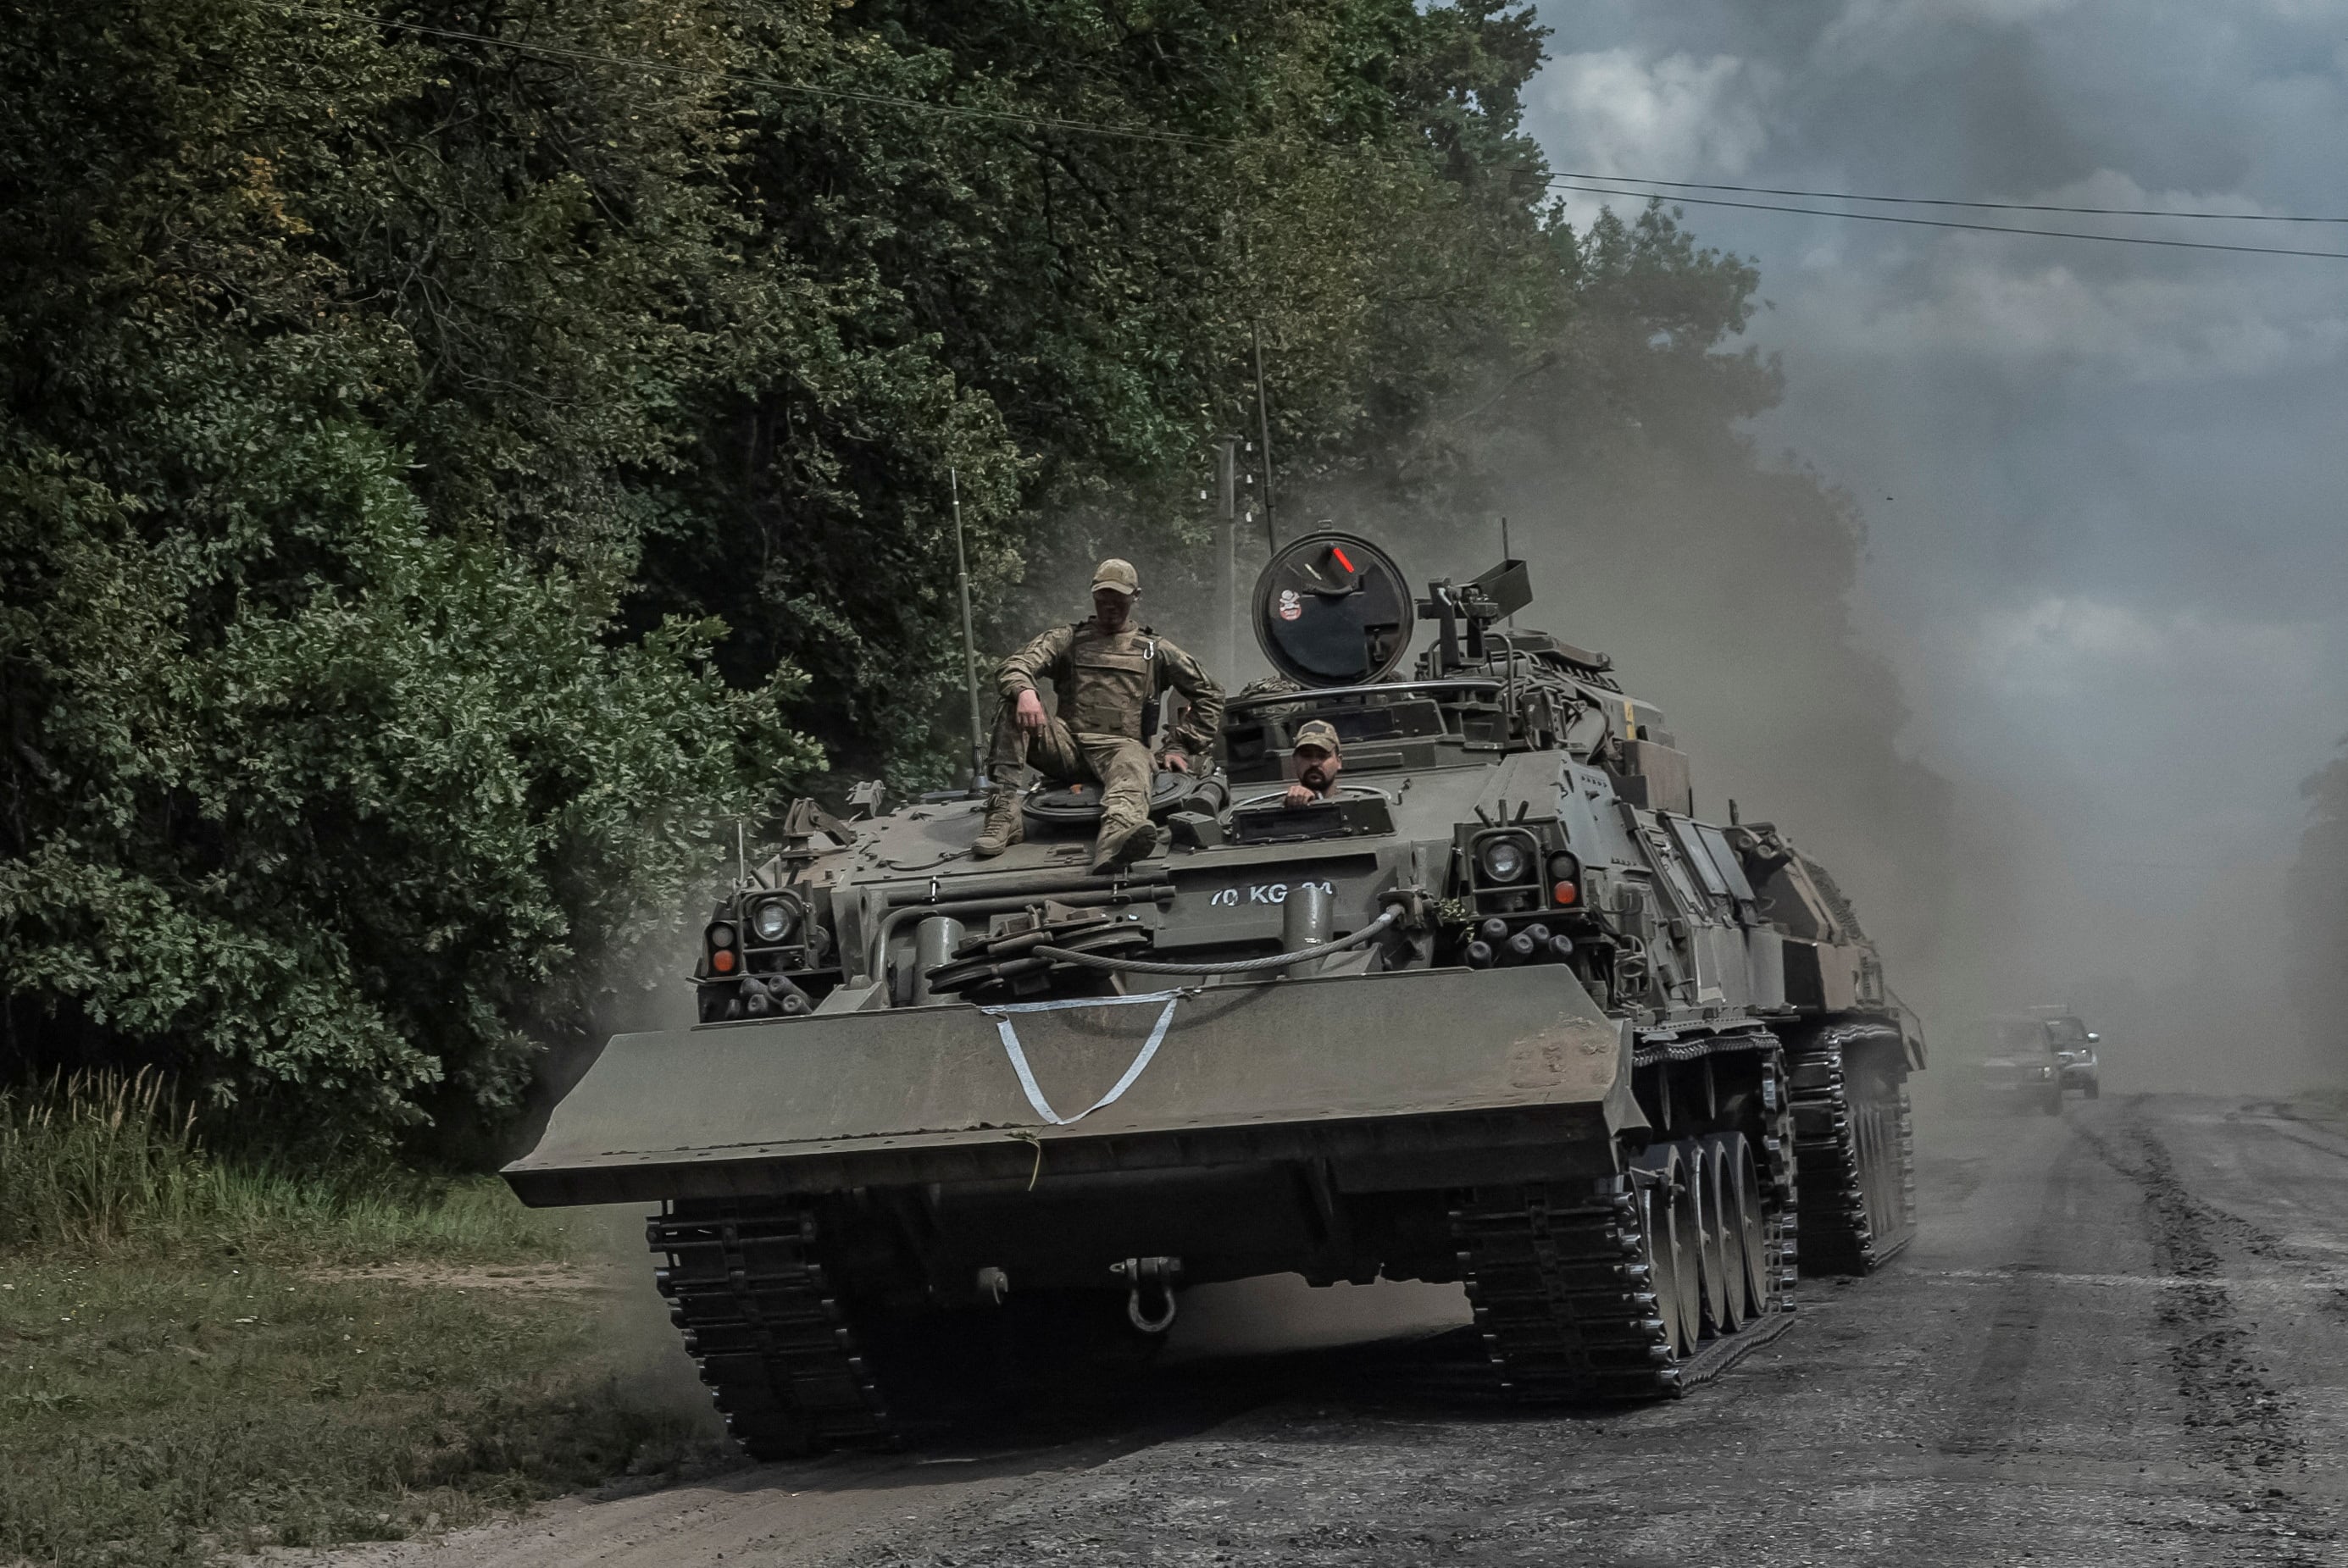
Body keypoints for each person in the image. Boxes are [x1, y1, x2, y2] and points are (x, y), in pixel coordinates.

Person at [974, 558, 1224, 873]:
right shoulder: (1067, 639)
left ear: (1135, 596)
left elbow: (1210, 691)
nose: (1110, 606)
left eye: (1118, 598)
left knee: (1134, 763)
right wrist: (1025, 692)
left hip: (1122, 749)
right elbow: (1015, 665)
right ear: (1093, 596)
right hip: (1066, 748)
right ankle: (1004, 813)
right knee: (1011, 701)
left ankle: (1117, 839)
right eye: (1103, 598)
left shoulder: (1154, 650)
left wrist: (1180, 745)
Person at [1283, 719, 1344, 806]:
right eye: (1306, 755)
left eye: (1322, 756)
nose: (1314, 763)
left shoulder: (1357, 803)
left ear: (1339, 761)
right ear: (1294, 761)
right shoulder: (1275, 806)